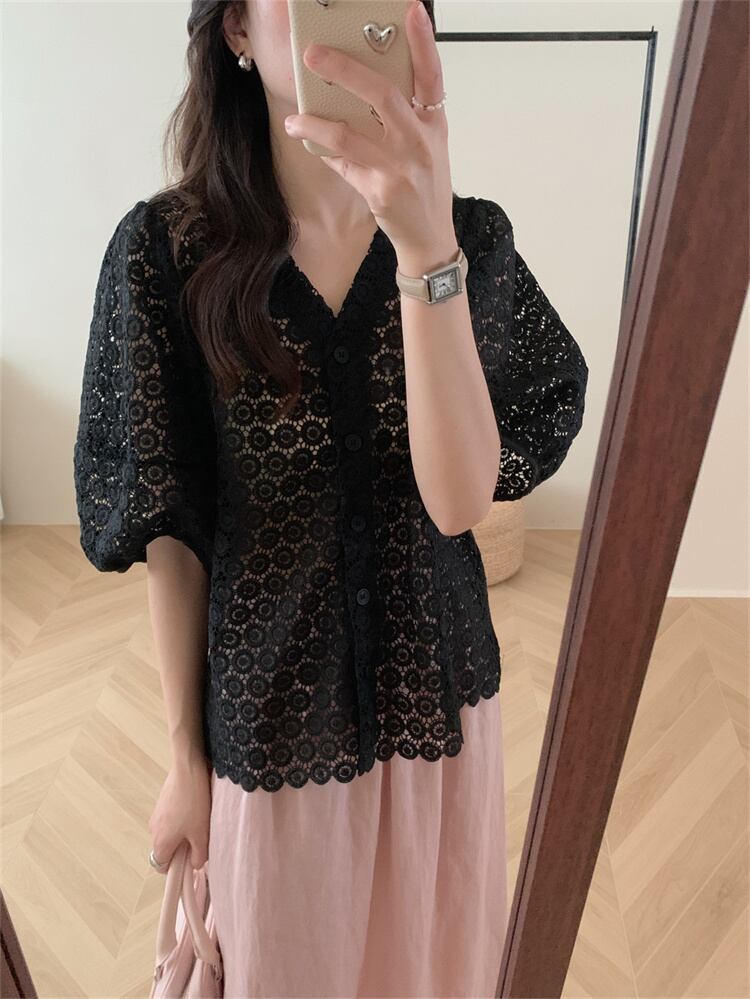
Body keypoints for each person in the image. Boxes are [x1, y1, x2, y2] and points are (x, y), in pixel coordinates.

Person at [73, 1, 589, 995]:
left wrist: (426, 251)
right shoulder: (167, 254)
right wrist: (184, 760)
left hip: (441, 714)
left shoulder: (468, 239)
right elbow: (173, 533)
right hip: (272, 727)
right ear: (234, 30)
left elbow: (458, 503)